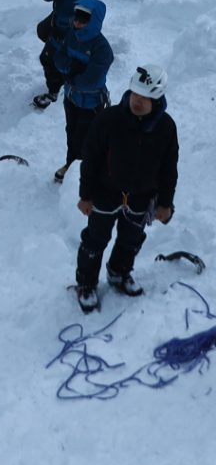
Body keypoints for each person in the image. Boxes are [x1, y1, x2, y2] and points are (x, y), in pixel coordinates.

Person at [74, 64, 178, 311]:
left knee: (131, 240)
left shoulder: (165, 128)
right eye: (135, 95)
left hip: (141, 198)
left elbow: (169, 168)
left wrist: (165, 203)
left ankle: (119, 273)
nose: (137, 101)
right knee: (94, 242)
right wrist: (85, 195)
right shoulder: (109, 120)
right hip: (105, 195)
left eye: (145, 98)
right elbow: (90, 158)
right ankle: (86, 283)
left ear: (158, 98)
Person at [52, 0, 113, 183]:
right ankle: (71, 164)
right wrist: (72, 69)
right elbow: (59, 58)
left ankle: (87, 173)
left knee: (87, 138)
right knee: (72, 132)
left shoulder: (102, 49)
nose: (77, 22)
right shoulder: (72, 35)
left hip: (91, 103)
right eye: (76, 17)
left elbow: (91, 80)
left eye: (83, 19)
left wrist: (70, 74)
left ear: (93, 21)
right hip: (71, 98)